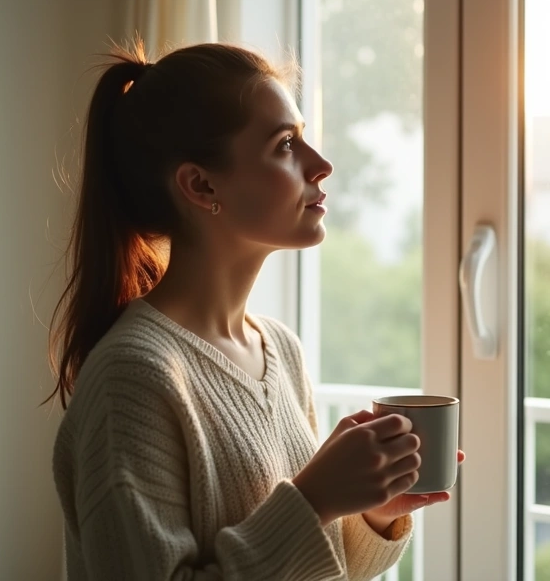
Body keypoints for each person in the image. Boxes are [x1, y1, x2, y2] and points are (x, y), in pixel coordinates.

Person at [48, 41, 462, 580]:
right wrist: (313, 499)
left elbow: (309, 569)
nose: (321, 164)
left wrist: (369, 513)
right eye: (286, 144)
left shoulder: (280, 349)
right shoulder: (133, 377)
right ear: (201, 185)